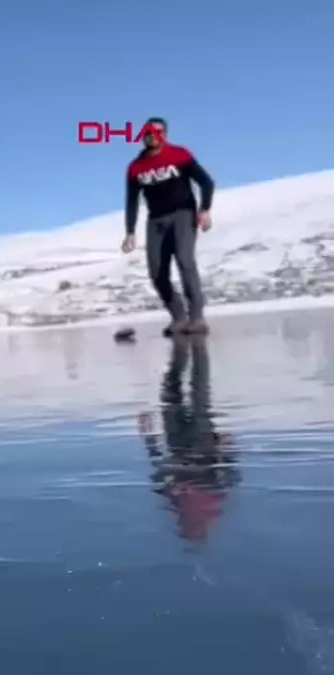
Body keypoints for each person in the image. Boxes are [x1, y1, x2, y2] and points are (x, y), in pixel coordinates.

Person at [138, 337, 240, 543]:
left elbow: (159, 471)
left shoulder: (175, 503)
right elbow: (230, 476)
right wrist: (226, 450)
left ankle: (182, 348)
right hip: (202, 445)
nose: (185, 524)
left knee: (173, 392)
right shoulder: (212, 502)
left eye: (185, 527)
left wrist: (149, 437)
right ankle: (195, 346)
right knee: (197, 392)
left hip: (178, 444)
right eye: (190, 528)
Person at [121, 117, 215, 336]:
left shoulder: (179, 154)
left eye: (158, 131)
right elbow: (132, 201)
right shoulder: (135, 167)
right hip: (156, 220)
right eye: (148, 132)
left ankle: (197, 317)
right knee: (156, 272)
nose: (153, 135)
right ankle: (179, 317)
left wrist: (204, 209)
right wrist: (130, 231)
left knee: (184, 260)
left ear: (165, 134)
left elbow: (206, 182)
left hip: (183, 213)